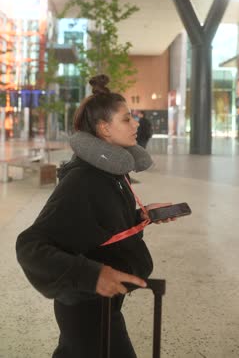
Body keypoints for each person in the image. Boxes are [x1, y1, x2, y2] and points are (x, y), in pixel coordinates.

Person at [16, 75, 176, 358]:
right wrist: (91, 274)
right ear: (104, 128)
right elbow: (31, 246)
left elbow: (97, 223)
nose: (136, 124)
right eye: (127, 119)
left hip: (103, 303)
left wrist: (143, 215)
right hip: (84, 307)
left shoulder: (110, 174)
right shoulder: (83, 180)